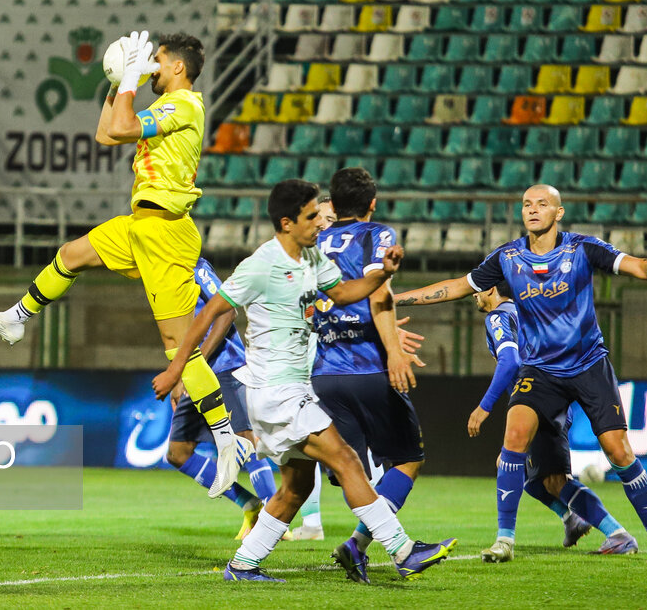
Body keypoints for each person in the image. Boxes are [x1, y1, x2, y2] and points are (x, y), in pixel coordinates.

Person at [0, 31, 253, 498]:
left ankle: (226, 441)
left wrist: (131, 81)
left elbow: (120, 129)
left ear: (178, 67)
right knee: (70, 254)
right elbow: (105, 132)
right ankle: (15, 319)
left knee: (179, 345)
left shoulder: (186, 106)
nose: (154, 67)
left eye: (158, 60)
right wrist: (118, 81)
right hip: (141, 223)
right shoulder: (168, 105)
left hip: (167, 233)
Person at [152, 179, 456, 582]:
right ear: (287, 222)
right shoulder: (261, 265)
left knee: (295, 487)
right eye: (312, 215)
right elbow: (210, 313)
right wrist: (177, 370)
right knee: (347, 461)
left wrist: (383, 273)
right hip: (273, 391)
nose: (320, 221)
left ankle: (243, 565)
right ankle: (402, 550)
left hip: (293, 388)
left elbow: (346, 292)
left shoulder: (312, 258)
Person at [394, 183, 647, 565]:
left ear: (559, 212)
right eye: (526, 204)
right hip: (541, 370)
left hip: (588, 363)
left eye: (542, 204)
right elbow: (457, 286)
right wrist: (395, 298)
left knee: (618, 451)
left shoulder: (583, 249)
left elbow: (635, 265)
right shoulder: (507, 258)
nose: (532, 209)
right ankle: (504, 541)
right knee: (515, 435)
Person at [310, 168, 431, 584]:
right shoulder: (377, 234)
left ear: (332, 202)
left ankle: (253, 557)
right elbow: (379, 291)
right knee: (409, 458)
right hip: (368, 368)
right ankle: (363, 545)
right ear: (372, 203)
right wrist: (394, 353)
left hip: (322, 373)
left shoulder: (310, 243)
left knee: (350, 470)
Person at [469, 280, 636, 563]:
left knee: (551, 479)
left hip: (536, 402)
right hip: (549, 399)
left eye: (477, 288)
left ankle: (616, 533)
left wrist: (484, 406)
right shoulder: (528, 312)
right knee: (535, 479)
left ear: (491, 291)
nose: (473, 294)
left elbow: (509, 361)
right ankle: (572, 518)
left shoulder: (498, 316)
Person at [165, 257, 278, 540]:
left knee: (245, 439)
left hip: (224, 368)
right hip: (193, 374)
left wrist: (195, 363)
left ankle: (274, 516)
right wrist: (178, 374)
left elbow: (227, 313)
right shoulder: (161, 280)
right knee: (178, 453)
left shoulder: (194, 266)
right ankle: (250, 505)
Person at [294, 195, 336, 542]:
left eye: (330, 219)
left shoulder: (341, 266)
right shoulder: (303, 262)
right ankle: (311, 524)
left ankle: (383, 515)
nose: (322, 224)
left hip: (343, 362)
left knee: (353, 447)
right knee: (300, 442)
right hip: (307, 361)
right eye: (317, 218)